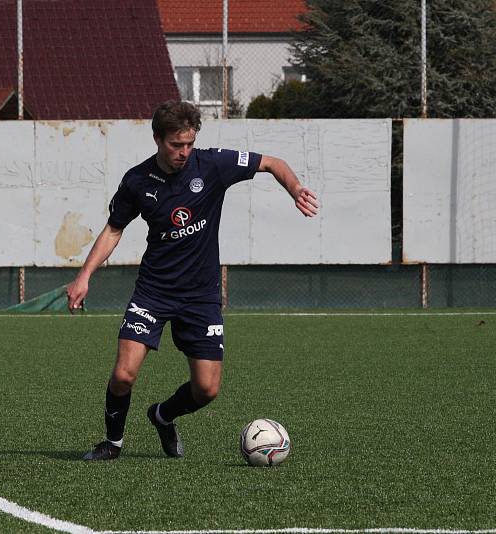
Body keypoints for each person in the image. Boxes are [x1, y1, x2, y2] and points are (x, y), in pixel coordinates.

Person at [66, 101, 319, 461]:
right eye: (175, 145)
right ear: (157, 139)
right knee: (123, 375)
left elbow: (272, 163)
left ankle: (162, 416)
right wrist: (84, 276)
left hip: (201, 295)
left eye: (189, 143)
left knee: (207, 389)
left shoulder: (212, 164)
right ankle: (113, 443)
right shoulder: (137, 180)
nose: (184, 152)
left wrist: (294, 189)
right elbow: (113, 229)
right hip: (153, 291)